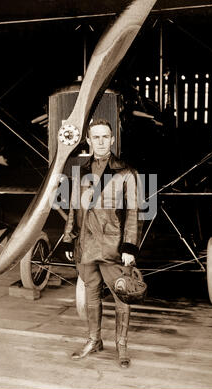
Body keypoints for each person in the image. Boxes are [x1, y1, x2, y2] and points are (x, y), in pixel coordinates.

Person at [62, 119, 142, 368]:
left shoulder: (126, 173)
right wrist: (68, 238)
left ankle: (122, 346)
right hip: (86, 245)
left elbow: (133, 212)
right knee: (92, 295)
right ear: (88, 140)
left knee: (122, 295)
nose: (100, 141)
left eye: (105, 137)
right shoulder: (81, 171)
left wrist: (129, 247)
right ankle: (94, 340)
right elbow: (75, 208)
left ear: (112, 139)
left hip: (113, 246)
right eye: (95, 137)